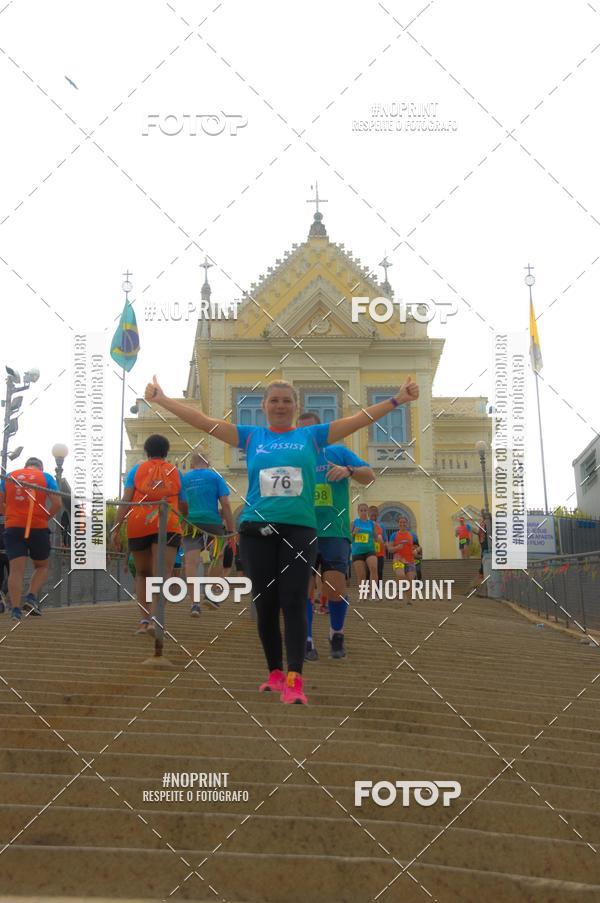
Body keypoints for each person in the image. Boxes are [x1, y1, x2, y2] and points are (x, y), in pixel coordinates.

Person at [145, 374, 419, 705]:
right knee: (265, 604)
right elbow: (203, 422)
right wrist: (162, 400)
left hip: (299, 530)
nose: (280, 405)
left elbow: (358, 419)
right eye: (273, 400)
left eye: (286, 400)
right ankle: (274, 673)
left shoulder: (312, 436)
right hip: (256, 530)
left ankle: (295, 678)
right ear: (264, 406)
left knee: (292, 601)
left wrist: (397, 400)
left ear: (294, 406)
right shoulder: (251, 436)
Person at [297, 411, 375, 661]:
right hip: (301, 530)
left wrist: (349, 471)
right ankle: (306, 640)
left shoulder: (338, 452)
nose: (306, 436)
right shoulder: (293, 458)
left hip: (334, 532)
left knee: (334, 589)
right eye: (301, 432)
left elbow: (370, 477)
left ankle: (336, 633)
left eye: (310, 431)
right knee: (303, 590)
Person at [111, 435, 187, 634]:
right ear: (166, 452)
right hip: (167, 523)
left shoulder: (137, 470)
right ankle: (156, 619)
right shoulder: (176, 472)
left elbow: (126, 501)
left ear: (146, 451)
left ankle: (144, 621)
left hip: (139, 524)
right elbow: (184, 504)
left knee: (143, 574)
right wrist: (182, 520)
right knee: (163, 573)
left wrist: (116, 529)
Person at [0, 457, 61, 620]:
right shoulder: (46, 477)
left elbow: (0, 501)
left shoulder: (10, 476)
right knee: (41, 566)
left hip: (13, 527)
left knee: (16, 570)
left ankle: (15, 611)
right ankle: (31, 597)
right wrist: (45, 517)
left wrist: (9, 515)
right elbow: (57, 502)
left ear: (26, 466)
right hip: (37, 526)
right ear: (39, 467)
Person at [181, 453, 234, 616]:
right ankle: (210, 595)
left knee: (191, 562)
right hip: (213, 523)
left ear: (191, 464)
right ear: (208, 463)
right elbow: (225, 503)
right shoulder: (215, 477)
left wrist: (183, 522)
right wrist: (231, 530)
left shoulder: (184, 479)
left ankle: (194, 604)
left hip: (191, 523)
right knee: (217, 557)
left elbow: (181, 504)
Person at [351, 503, 378, 599]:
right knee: (361, 575)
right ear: (358, 512)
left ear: (368, 512)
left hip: (370, 549)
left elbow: (376, 538)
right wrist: (354, 533)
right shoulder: (354, 523)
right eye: (361, 510)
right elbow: (349, 539)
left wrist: (378, 538)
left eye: (365, 510)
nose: (363, 512)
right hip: (357, 551)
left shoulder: (371, 523)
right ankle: (363, 594)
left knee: (374, 568)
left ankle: (372, 592)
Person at [388, 514, 417, 601]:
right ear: (398, 524)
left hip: (410, 560)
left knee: (410, 580)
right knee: (400, 575)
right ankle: (397, 590)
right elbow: (389, 549)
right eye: (401, 522)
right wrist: (396, 548)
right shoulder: (394, 535)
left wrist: (416, 551)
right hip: (398, 560)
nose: (402, 524)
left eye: (404, 522)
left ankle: (409, 601)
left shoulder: (412, 535)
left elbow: (418, 547)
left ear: (407, 524)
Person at [368, 505, 386, 583]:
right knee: (368, 572)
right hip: (368, 552)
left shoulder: (382, 526)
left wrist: (384, 554)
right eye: (371, 511)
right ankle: (368, 591)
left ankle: (377, 591)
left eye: (375, 511)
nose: (373, 513)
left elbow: (385, 540)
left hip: (379, 553)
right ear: (368, 513)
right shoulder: (365, 524)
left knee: (379, 571)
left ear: (378, 514)